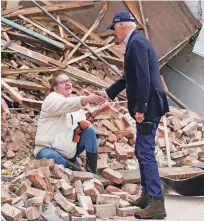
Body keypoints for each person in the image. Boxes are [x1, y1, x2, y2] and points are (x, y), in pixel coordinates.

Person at [96, 10, 169, 219]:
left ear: (121, 26)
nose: (114, 34)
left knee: (145, 152)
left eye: (114, 29)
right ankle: (148, 195)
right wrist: (107, 93)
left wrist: (141, 108)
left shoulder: (136, 43)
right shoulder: (138, 41)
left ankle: (157, 202)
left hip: (149, 106)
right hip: (150, 104)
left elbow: (144, 79)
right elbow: (130, 77)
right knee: (141, 150)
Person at [34, 72, 105, 174]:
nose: (67, 84)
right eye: (63, 82)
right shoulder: (51, 99)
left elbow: (80, 122)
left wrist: (83, 126)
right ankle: (81, 174)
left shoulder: (75, 105)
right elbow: (65, 104)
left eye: (68, 81)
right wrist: (85, 99)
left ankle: (91, 171)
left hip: (69, 152)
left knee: (89, 132)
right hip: (48, 149)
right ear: (55, 88)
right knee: (53, 157)